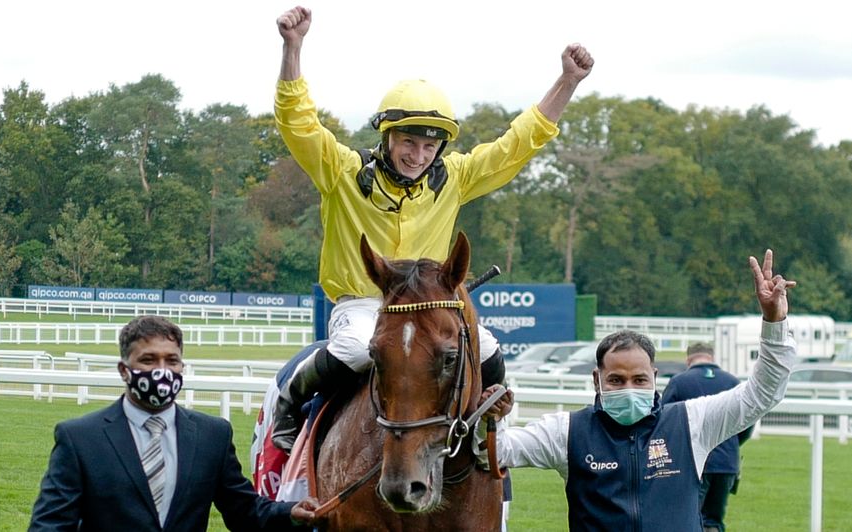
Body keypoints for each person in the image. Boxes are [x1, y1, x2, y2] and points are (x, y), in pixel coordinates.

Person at [270, 5, 595, 451]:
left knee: (488, 349)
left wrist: (567, 82)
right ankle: (289, 403)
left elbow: (517, 145)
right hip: (363, 304)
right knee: (357, 348)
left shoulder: (456, 177)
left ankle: (483, 431)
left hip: (430, 305)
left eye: (428, 146)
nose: (418, 155)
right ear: (386, 137)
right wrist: (293, 48)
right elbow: (298, 125)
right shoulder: (341, 171)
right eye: (408, 141)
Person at [479, 249, 797, 531]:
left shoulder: (692, 422)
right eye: (616, 380)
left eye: (640, 380)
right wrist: (491, 419)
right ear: (596, 380)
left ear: (655, 377)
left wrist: (774, 321)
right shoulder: (568, 432)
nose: (629, 388)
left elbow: (763, 393)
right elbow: (494, 452)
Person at [29, 315, 318, 531]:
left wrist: (290, 511)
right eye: (148, 360)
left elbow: (244, 511)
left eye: (172, 361)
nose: (162, 371)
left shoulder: (212, 436)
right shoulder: (80, 439)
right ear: (123, 369)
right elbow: (50, 525)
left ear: (182, 367)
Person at [662, 343, 754, 532]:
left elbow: (664, 423)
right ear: (711, 358)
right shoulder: (732, 382)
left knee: (688, 519)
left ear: (689, 360)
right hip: (726, 462)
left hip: (692, 462)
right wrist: (732, 444)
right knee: (714, 520)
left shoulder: (679, 382)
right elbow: (747, 422)